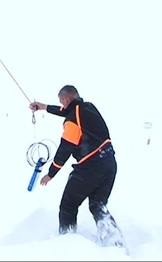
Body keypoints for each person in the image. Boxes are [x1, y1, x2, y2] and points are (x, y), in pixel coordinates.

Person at [29, 85, 124, 247]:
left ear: (66, 99)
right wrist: (44, 107)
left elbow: (65, 148)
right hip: (109, 163)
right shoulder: (87, 107)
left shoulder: (73, 119)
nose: (62, 106)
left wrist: (51, 173)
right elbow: (65, 111)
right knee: (97, 205)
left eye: (62, 102)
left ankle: (67, 244)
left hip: (90, 167)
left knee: (68, 205)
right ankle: (114, 242)